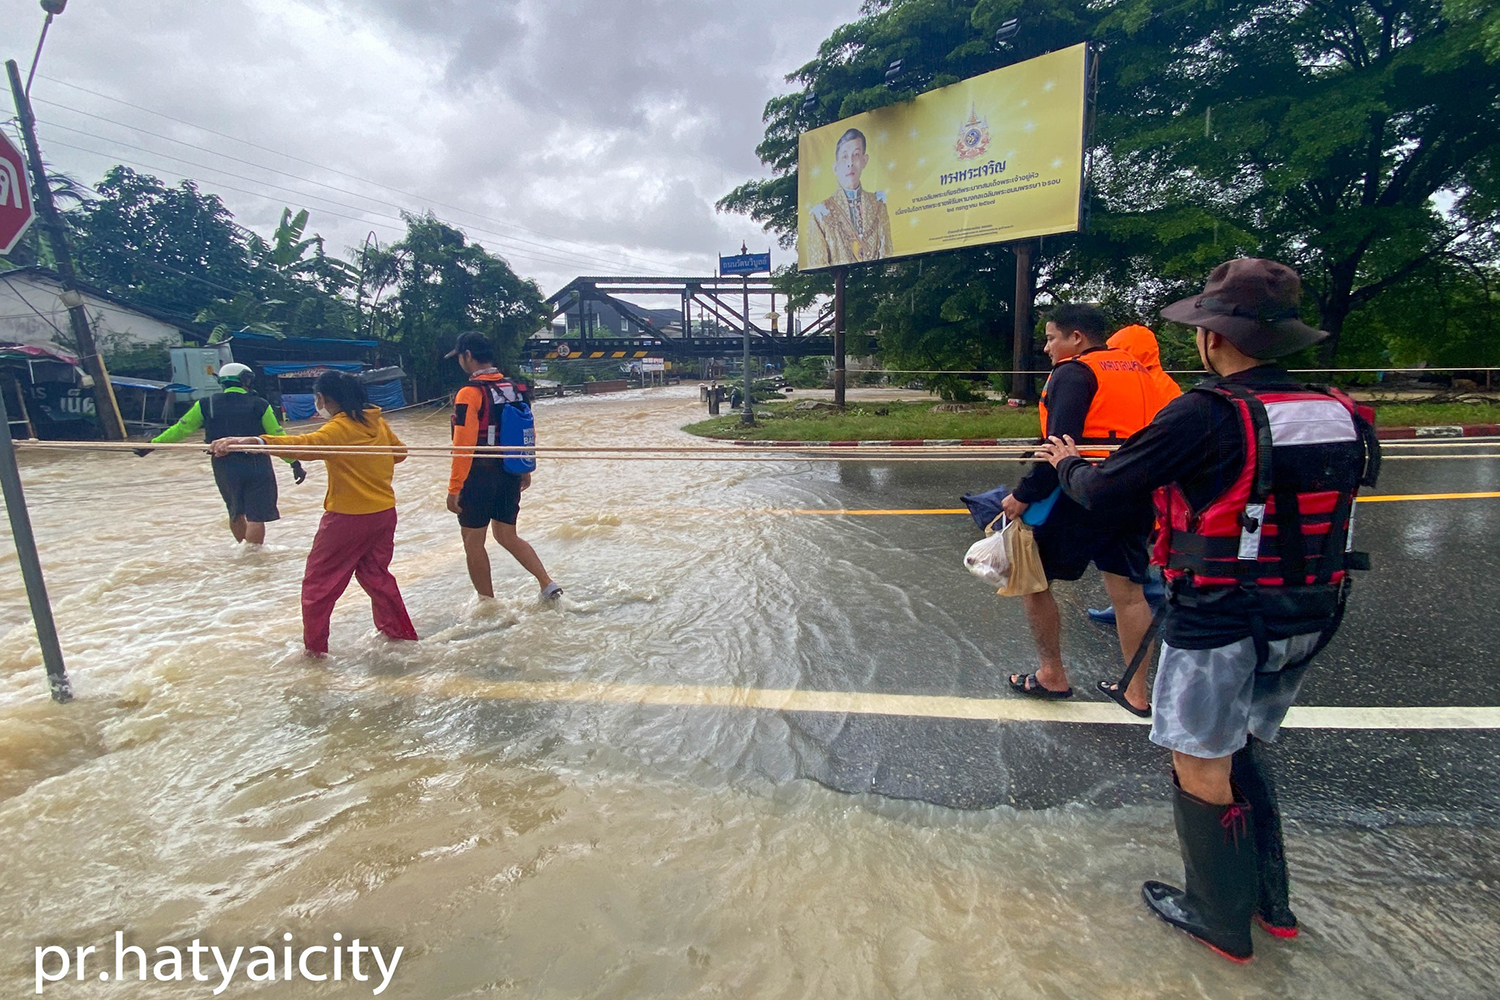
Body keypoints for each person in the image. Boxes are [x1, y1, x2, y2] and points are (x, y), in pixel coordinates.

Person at [1036, 258, 1380, 961]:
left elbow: (1107, 492)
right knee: (1246, 741)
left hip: (1221, 612)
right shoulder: (1337, 410)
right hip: (1311, 612)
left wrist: (1069, 463)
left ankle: (1217, 917)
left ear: (1213, 340)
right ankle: (1270, 904)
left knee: (1200, 759)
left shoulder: (1206, 412)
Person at [1001, 304, 1159, 715]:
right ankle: (1136, 692)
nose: (1047, 346)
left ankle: (1052, 674)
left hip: (1080, 492)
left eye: (1052, 337)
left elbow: (1060, 445)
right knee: (1128, 594)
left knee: (1033, 581)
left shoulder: (1074, 372)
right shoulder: (1136, 370)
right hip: (1133, 491)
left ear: (1076, 338)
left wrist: (1024, 494)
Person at [211, 371, 418, 656]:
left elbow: (304, 445)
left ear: (322, 398)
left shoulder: (338, 429)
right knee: (376, 576)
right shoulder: (376, 422)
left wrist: (256, 442)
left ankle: (314, 653)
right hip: (383, 514)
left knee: (317, 587)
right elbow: (401, 453)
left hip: (347, 518)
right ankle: (401, 636)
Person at [445, 332, 562, 602]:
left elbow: (463, 445)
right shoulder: (515, 388)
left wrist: (454, 488)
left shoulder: (469, 394)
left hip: (480, 475)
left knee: (472, 541)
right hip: (510, 472)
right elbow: (526, 430)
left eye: (460, 357)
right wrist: (525, 469)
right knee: (507, 534)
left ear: (468, 356)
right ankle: (547, 583)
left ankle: (487, 604)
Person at [138, 363, 305, 545]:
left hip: (224, 467)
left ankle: (243, 556)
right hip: (257, 465)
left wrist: (152, 445)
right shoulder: (260, 404)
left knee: (235, 513)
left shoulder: (205, 404)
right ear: (246, 380)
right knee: (256, 517)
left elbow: (180, 430)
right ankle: (255, 560)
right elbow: (277, 437)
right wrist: (294, 463)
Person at [1086, 325, 1182, 626]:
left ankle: (1146, 597)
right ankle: (1140, 596)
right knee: (1135, 547)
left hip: (1144, 482)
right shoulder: (1160, 382)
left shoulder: (1148, 384)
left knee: (1131, 549)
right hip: (1151, 480)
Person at [804, 128, 893, 268]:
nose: (850, 163)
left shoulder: (878, 204)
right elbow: (818, 266)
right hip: (838, 285)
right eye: (844, 157)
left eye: (856, 155)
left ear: (864, 160)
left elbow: (888, 255)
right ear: (835, 167)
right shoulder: (819, 214)